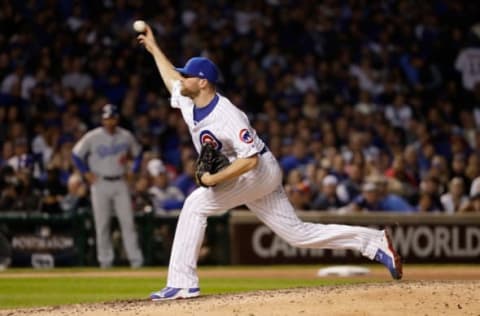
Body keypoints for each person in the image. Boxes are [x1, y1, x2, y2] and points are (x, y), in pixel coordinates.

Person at [137, 24, 402, 301]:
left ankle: (183, 282)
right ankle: (374, 242)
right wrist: (154, 48)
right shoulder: (191, 102)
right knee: (297, 234)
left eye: (187, 76)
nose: (182, 79)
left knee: (195, 205)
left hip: (258, 170)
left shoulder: (227, 116)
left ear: (203, 82)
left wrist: (213, 181)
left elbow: (249, 160)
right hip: (252, 176)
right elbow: (170, 79)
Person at [72, 104, 144, 268]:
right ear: (102, 120)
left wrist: (133, 169)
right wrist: (85, 172)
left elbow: (138, 153)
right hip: (100, 183)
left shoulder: (126, 136)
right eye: (106, 119)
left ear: (117, 119)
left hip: (120, 182)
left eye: (112, 118)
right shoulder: (93, 136)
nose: (109, 122)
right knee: (102, 224)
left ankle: (136, 260)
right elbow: (76, 155)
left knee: (128, 222)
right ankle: (105, 261)